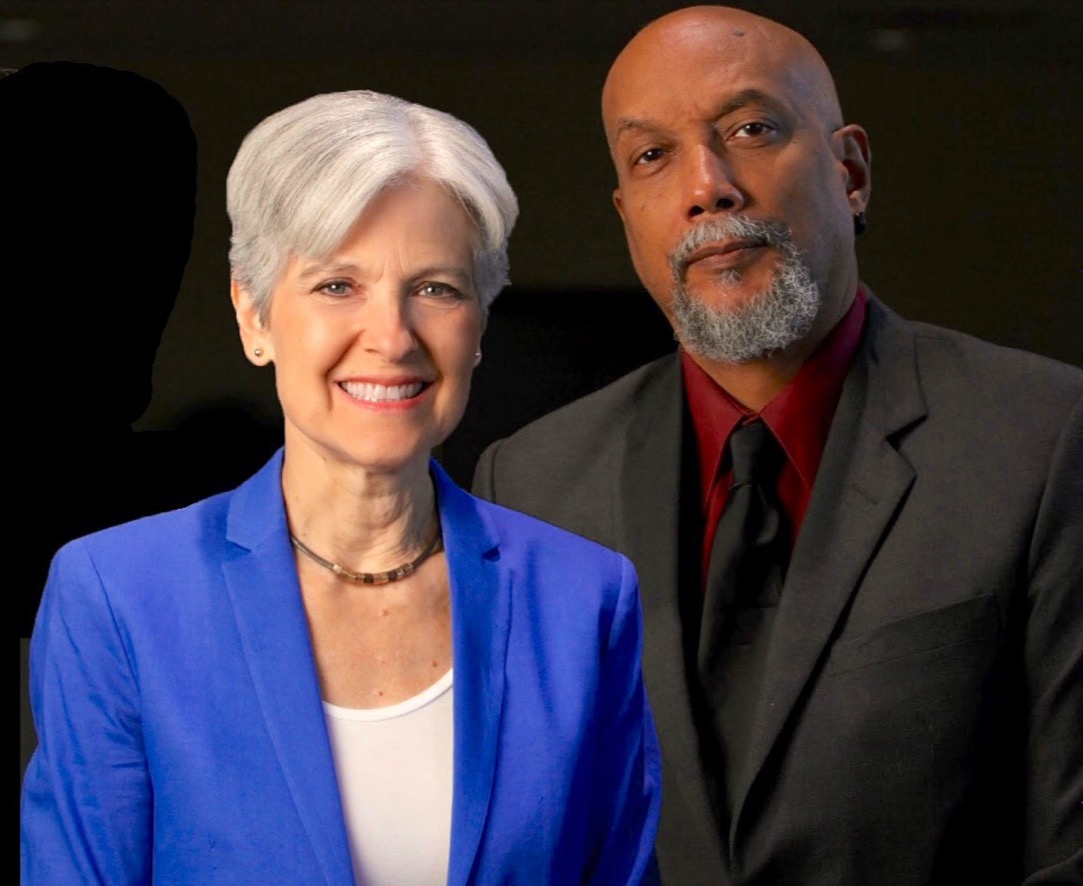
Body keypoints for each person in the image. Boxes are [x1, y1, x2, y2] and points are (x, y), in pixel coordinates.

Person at [473, 6, 1083, 885]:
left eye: (750, 131)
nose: (707, 187)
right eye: (652, 155)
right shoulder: (531, 487)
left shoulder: (1045, 438)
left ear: (851, 173)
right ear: (625, 214)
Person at [20, 89, 661, 885]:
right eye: (336, 286)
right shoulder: (117, 596)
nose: (390, 337)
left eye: (436, 287)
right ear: (254, 316)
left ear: (477, 325)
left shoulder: (585, 598)